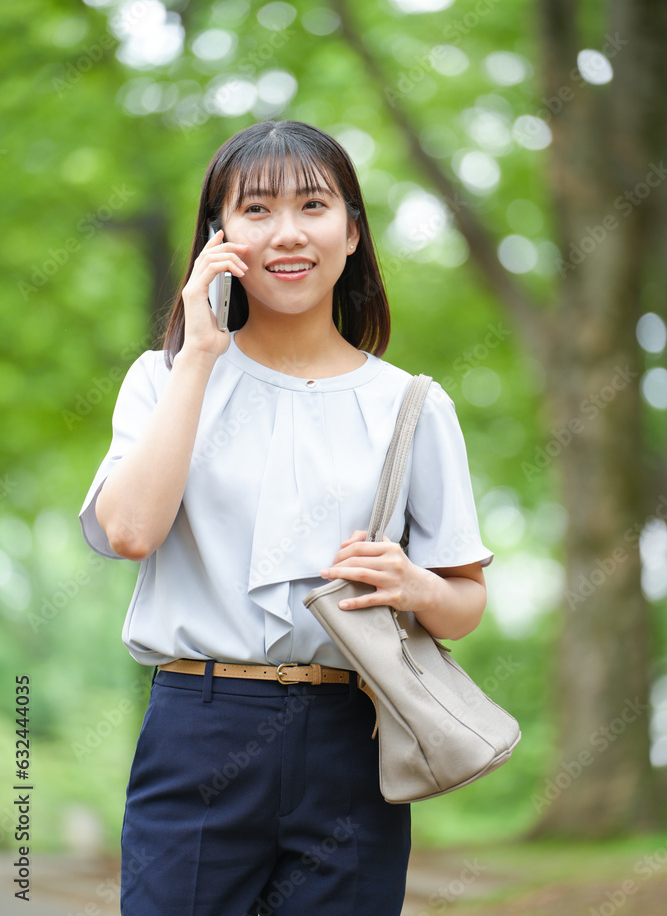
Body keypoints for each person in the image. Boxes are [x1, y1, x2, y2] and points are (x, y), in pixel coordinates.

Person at [78, 119, 494, 916]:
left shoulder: (410, 404)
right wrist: (200, 352)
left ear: (350, 230)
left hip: (353, 733)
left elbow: (464, 601)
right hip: (198, 727)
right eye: (257, 210)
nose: (288, 233)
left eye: (313, 205)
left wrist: (411, 584)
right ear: (220, 235)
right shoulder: (164, 377)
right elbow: (129, 532)